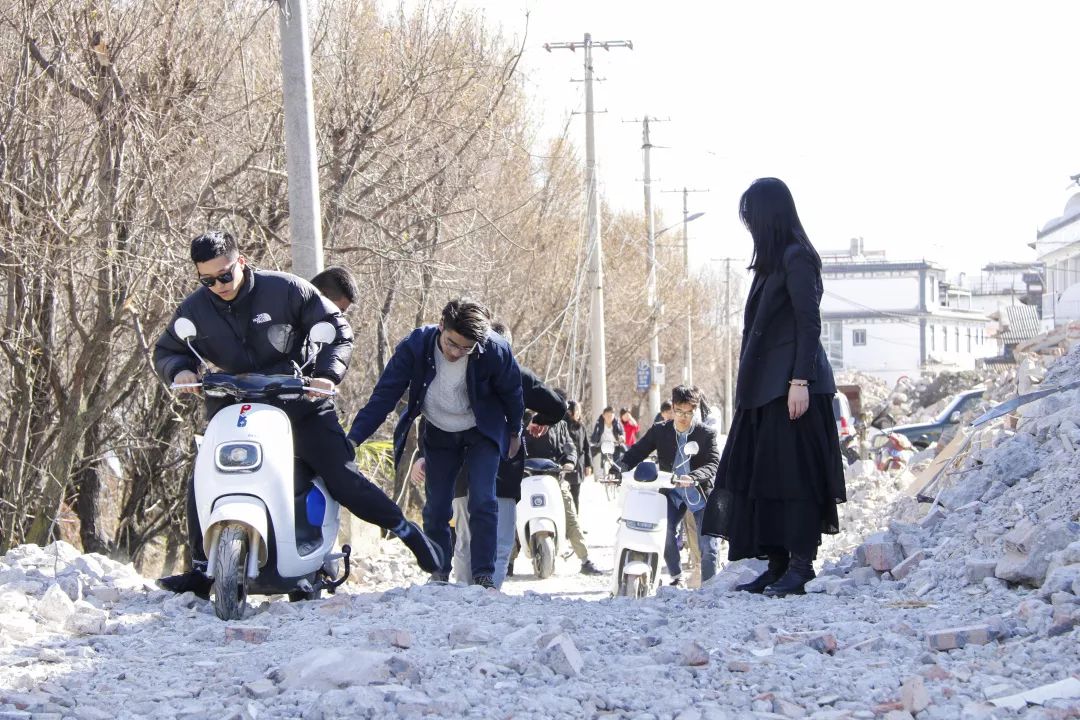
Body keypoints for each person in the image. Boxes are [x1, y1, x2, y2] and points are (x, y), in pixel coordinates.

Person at [153, 231, 442, 596]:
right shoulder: (194, 309)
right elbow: (167, 350)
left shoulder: (287, 289)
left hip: (300, 403)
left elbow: (337, 329)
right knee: (204, 476)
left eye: (225, 275)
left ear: (241, 262)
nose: (219, 285)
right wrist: (179, 370)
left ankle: (405, 530)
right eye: (207, 280)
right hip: (234, 406)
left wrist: (326, 375)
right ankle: (201, 569)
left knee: (341, 476)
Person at [702, 178, 845, 597]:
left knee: (795, 478)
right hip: (766, 390)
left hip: (793, 388)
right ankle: (778, 563)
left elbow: (808, 323)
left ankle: (801, 565)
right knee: (766, 478)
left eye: (753, 217)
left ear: (770, 216)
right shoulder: (773, 263)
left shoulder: (798, 257)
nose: (750, 226)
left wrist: (800, 381)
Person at [346, 299, 524, 589]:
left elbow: (513, 392)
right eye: (452, 343)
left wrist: (515, 431)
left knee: (483, 499)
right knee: (437, 506)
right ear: (441, 325)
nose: (456, 353)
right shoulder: (415, 346)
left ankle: (484, 575)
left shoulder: (494, 349)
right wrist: (354, 438)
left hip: (481, 431)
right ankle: (439, 570)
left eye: (466, 348)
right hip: (439, 431)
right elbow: (384, 396)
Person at [441, 321, 566, 588]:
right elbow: (557, 406)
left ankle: (464, 596)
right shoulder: (516, 374)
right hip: (502, 471)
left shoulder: (455, 370)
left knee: (465, 541)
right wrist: (541, 419)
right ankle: (488, 595)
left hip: (462, 471)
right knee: (498, 544)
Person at [611, 386, 721, 588]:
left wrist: (694, 477)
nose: (683, 417)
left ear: (695, 410)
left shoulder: (706, 433)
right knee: (664, 530)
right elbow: (638, 450)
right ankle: (676, 575)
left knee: (707, 543)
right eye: (679, 411)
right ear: (673, 408)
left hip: (698, 493)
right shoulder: (660, 430)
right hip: (671, 493)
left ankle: (710, 586)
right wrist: (620, 467)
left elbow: (713, 463)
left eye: (688, 412)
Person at [521, 411, 603, 576]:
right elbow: (514, 444)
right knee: (513, 515)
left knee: (570, 516)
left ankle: (585, 560)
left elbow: (570, 446)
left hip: (555, 478)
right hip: (526, 478)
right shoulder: (523, 421)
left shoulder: (560, 424)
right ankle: (507, 562)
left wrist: (570, 461)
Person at [563, 399, 592, 512]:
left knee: (575, 494)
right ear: (570, 412)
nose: (579, 413)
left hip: (579, 465)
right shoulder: (563, 425)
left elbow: (586, 446)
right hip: (565, 464)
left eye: (579, 410)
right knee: (564, 495)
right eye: (577, 410)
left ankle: (576, 518)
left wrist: (588, 465)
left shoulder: (581, 426)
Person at [590, 406, 625, 476]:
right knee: (592, 453)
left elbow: (622, 432)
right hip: (603, 444)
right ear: (603, 415)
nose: (609, 417)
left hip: (615, 444)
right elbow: (595, 435)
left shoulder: (617, 423)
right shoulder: (599, 423)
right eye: (607, 415)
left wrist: (621, 437)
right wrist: (594, 441)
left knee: (618, 459)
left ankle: (618, 474)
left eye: (611, 415)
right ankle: (601, 471)